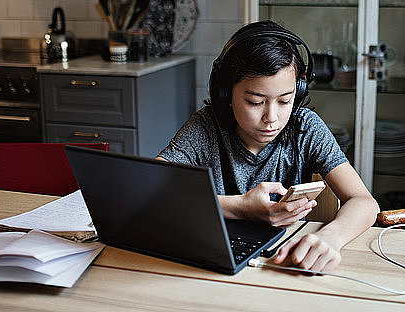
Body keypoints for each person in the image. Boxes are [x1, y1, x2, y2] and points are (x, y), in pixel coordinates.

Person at [158, 20, 379, 272]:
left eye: (285, 101)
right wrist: (241, 208)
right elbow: (149, 189)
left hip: (283, 261)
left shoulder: (305, 127)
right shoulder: (206, 127)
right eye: (255, 102)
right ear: (225, 93)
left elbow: (364, 202)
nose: (271, 117)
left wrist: (332, 237)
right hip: (213, 258)